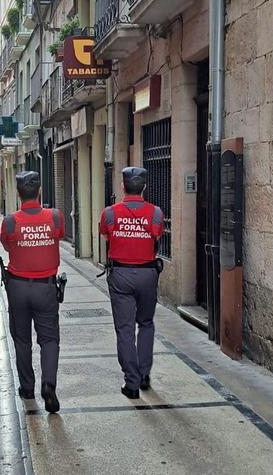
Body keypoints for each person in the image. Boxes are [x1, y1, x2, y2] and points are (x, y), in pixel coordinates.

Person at [0, 171, 64, 413]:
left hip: (17, 287)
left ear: (18, 193)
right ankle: (49, 384)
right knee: (49, 339)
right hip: (46, 288)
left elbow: (7, 246)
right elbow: (58, 237)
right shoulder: (55, 217)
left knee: (22, 339)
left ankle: (27, 387)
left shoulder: (9, 221)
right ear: (39, 192)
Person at [99, 167, 164, 399]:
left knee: (125, 328)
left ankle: (132, 382)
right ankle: (145, 373)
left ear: (123, 187)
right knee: (146, 323)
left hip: (121, 275)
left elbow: (106, 234)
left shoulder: (109, 213)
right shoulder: (156, 213)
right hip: (148, 275)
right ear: (144, 187)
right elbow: (157, 234)